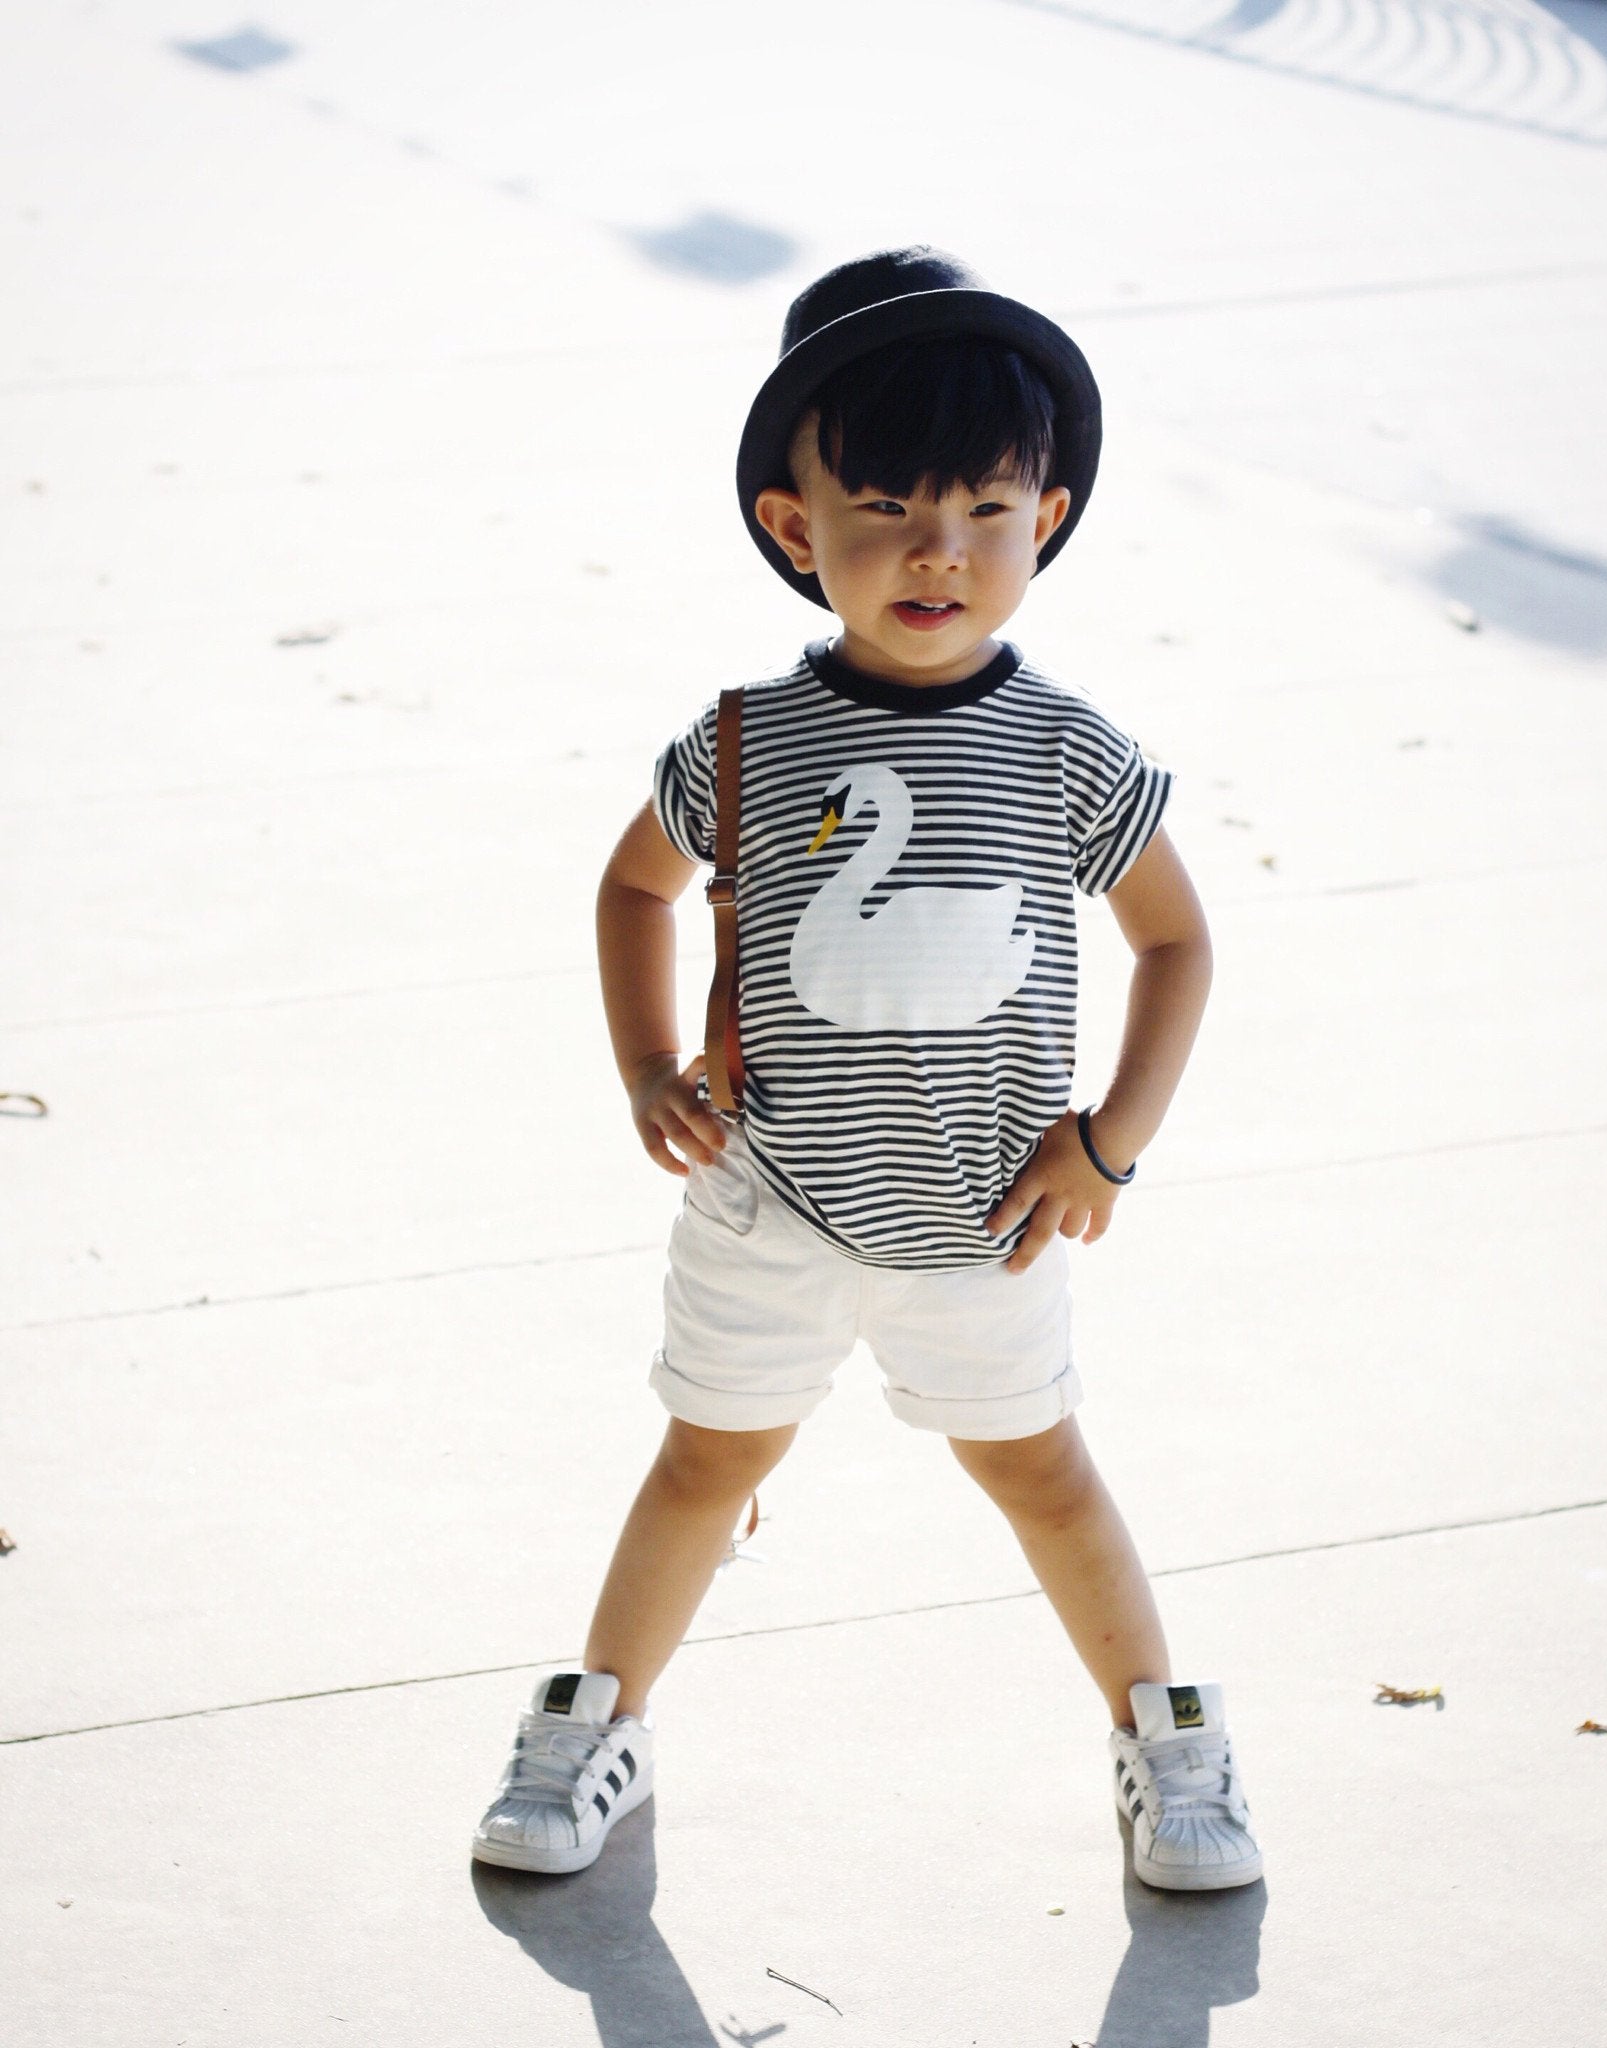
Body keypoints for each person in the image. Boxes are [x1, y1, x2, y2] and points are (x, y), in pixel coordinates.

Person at [471, 248, 1262, 1893]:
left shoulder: (1066, 750)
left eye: (983, 510)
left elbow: (1179, 943)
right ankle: (596, 1719)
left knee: (1043, 1477)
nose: (936, 551)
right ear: (793, 525)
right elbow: (636, 887)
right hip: (768, 1201)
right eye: (886, 508)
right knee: (708, 1461)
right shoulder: (746, 742)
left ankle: (1166, 1739)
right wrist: (646, 1064)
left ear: (1046, 519)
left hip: (986, 1222)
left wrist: (1109, 1144)